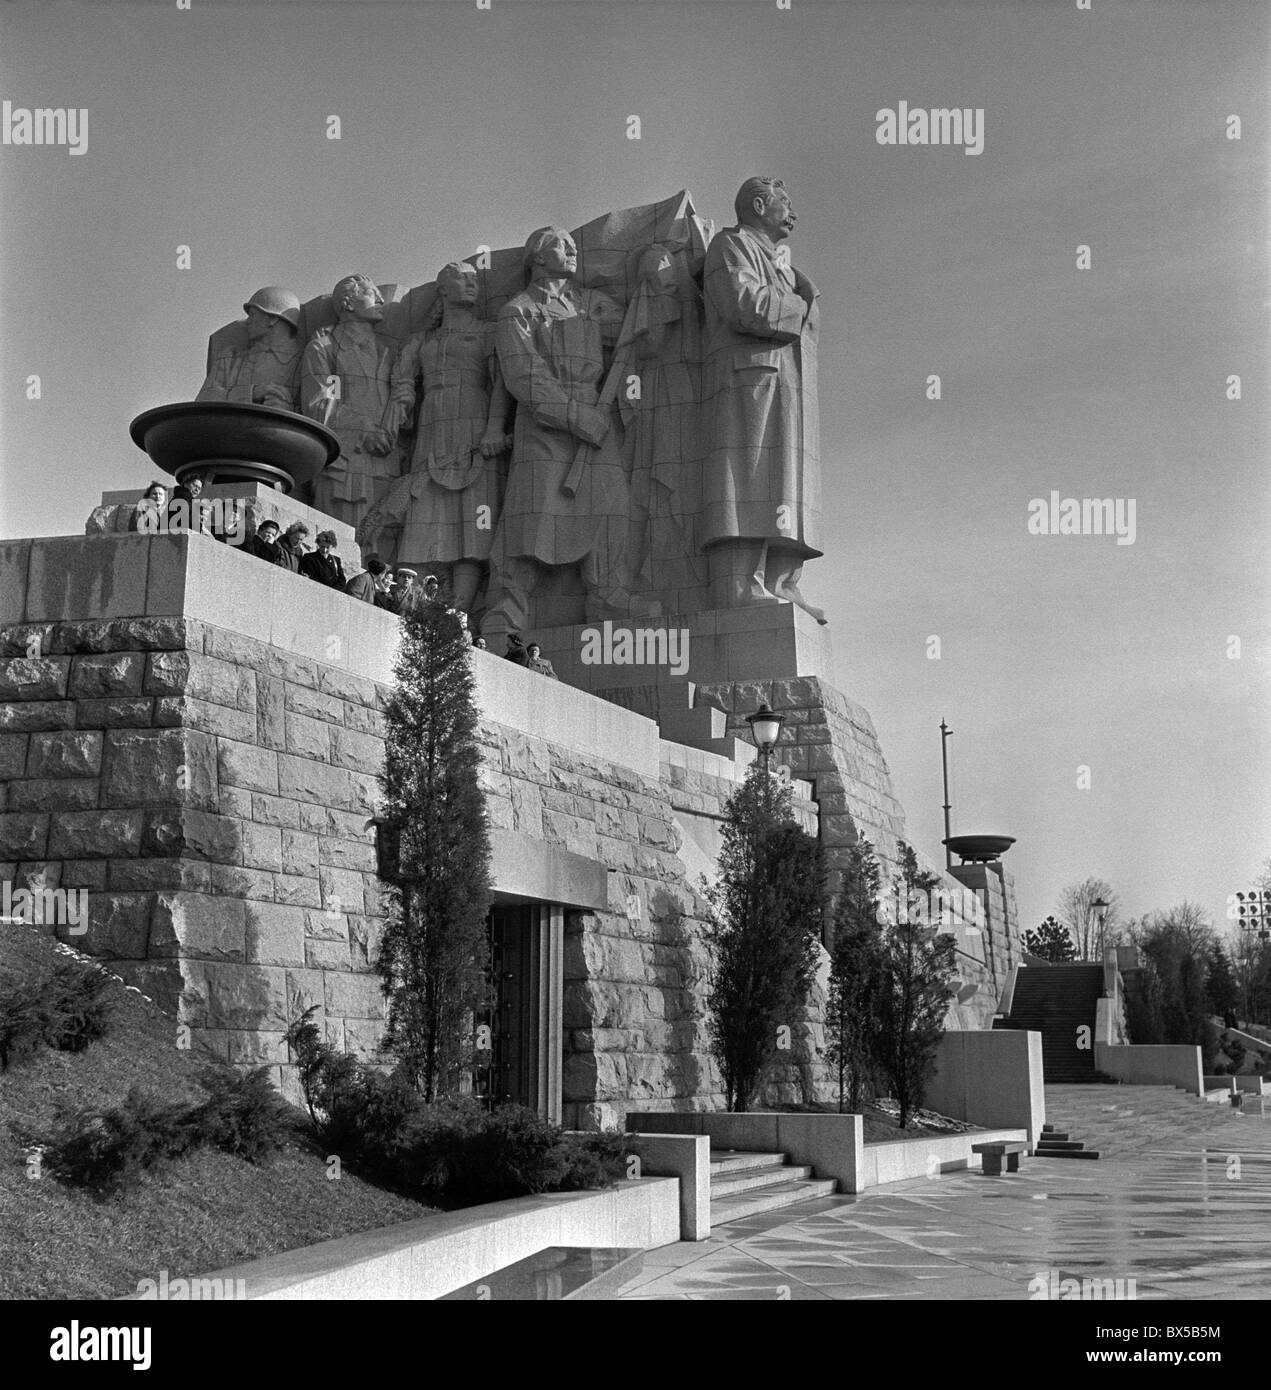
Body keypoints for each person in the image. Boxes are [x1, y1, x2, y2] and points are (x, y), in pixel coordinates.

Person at [484, 226, 659, 636]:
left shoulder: (590, 305)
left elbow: (639, 332)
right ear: (538, 259)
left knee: (612, 504)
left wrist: (654, 273)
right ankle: (507, 602)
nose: (571, 249)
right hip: (547, 423)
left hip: (595, 415)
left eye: (572, 243)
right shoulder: (518, 310)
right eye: (560, 245)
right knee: (534, 514)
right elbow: (524, 377)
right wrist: (576, 417)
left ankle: (608, 594)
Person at [701, 176, 824, 622]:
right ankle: (738, 585)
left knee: (786, 485)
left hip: (784, 385)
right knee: (746, 479)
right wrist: (798, 302)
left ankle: (780, 581)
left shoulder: (780, 264)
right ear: (758, 204)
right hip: (747, 381)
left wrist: (797, 294)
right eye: (784, 204)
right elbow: (745, 305)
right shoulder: (730, 246)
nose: (792, 213)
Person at [368, 260, 512, 614]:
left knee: (475, 520)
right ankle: (410, 600)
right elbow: (403, 388)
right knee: (423, 509)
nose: (472, 284)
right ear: (443, 290)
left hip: (476, 423)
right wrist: (390, 426)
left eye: (474, 280)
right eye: (462, 279)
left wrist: (494, 427)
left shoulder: (490, 332)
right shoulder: (421, 341)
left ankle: (460, 611)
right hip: (432, 426)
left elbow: (501, 386)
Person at [302, 274, 401, 527]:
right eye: (370, 293)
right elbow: (319, 405)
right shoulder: (323, 347)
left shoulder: (388, 353)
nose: (380, 299)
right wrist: (365, 429)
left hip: (386, 462)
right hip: (344, 462)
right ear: (347, 303)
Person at [197, 286, 302, 409]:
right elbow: (203, 401)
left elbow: (315, 410)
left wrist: (288, 410)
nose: (247, 321)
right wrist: (251, 393)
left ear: (272, 319)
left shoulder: (303, 361)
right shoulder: (230, 359)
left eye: (252, 314)